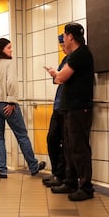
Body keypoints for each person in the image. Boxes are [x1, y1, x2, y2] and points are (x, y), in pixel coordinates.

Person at [0, 37, 46, 178]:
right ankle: (33, 166)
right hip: (7, 105)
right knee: (22, 135)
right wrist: (11, 101)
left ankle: (1, 170)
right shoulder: (8, 63)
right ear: (1, 49)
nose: (11, 50)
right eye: (9, 47)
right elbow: (12, 82)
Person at [46, 23, 95, 202]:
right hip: (70, 108)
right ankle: (70, 181)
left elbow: (61, 77)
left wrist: (54, 73)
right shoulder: (76, 55)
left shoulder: (81, 54)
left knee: (79, 147)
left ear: (70, 37)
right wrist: (57, 74)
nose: (63, 40)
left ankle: (86, 187)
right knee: (68, 146)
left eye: (65, 36)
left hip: (79, 108)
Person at [42, 34, 68, 187]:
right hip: (58, 105)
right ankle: (57, 173)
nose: (62, 48)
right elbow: (57, 79)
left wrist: (57, 75)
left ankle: (62, 175)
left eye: (63, 45)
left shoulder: (75, 59)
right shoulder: (65, 60)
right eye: (60, 46)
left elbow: (61, 78)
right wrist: (55, 74)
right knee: (52, 139)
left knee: (65, 142)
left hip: (67, 107)